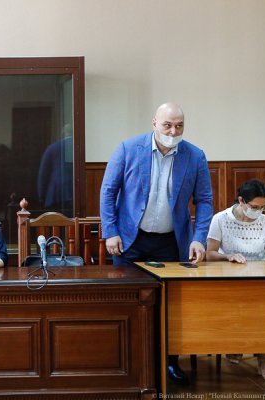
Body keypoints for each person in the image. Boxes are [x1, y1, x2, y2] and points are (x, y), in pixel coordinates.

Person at [100, 102, 213, 385]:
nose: (173, 131)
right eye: (167, 125)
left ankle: (169, 363)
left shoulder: (195, 156)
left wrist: (199, 238)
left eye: (179, 126)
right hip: (130, 240)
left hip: (171, 242)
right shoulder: (128, 148)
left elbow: (204, 200)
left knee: (170, 306)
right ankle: (127, 365)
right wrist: (110, 231)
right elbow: (108, 191)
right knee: (127, 304)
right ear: (154, 123)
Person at [206, 179, 265, 383]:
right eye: (255, 207)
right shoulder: (221, 219)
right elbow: (210, 254)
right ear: (241, 201)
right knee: (242, 303)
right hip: (228, 279)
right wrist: (228, 256)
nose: (259, 211)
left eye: (263, 207)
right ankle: (238, 344)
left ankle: (263, 356)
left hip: (260, 279)